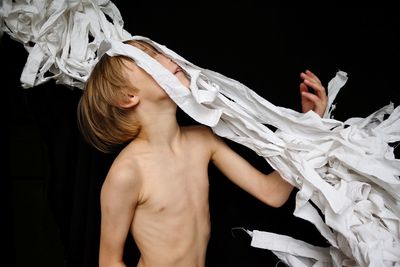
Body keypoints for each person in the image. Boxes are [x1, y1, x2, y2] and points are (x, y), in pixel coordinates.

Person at [77, 39, 328, 267]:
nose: (169, 58)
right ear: (128, 96)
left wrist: (308, 125)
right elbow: (109, 261)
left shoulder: (202, 140)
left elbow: (272, 193)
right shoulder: (127, 173)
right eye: (150, 60)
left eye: (161, 52)